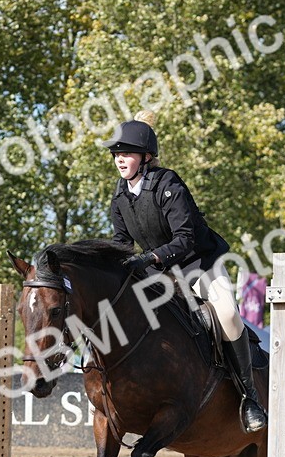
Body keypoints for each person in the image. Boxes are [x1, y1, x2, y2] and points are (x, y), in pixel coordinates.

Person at [104, 113, 267, 433]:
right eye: (116, 154)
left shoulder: (169, 184)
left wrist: (149, 258)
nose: (120, 159)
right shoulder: (120, 196)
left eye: (126, 153)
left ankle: (250, 398)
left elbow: (186, 238)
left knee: (228, 316)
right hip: (159, 273)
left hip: (198, 264)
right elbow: (121, 243)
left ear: (145, 157)